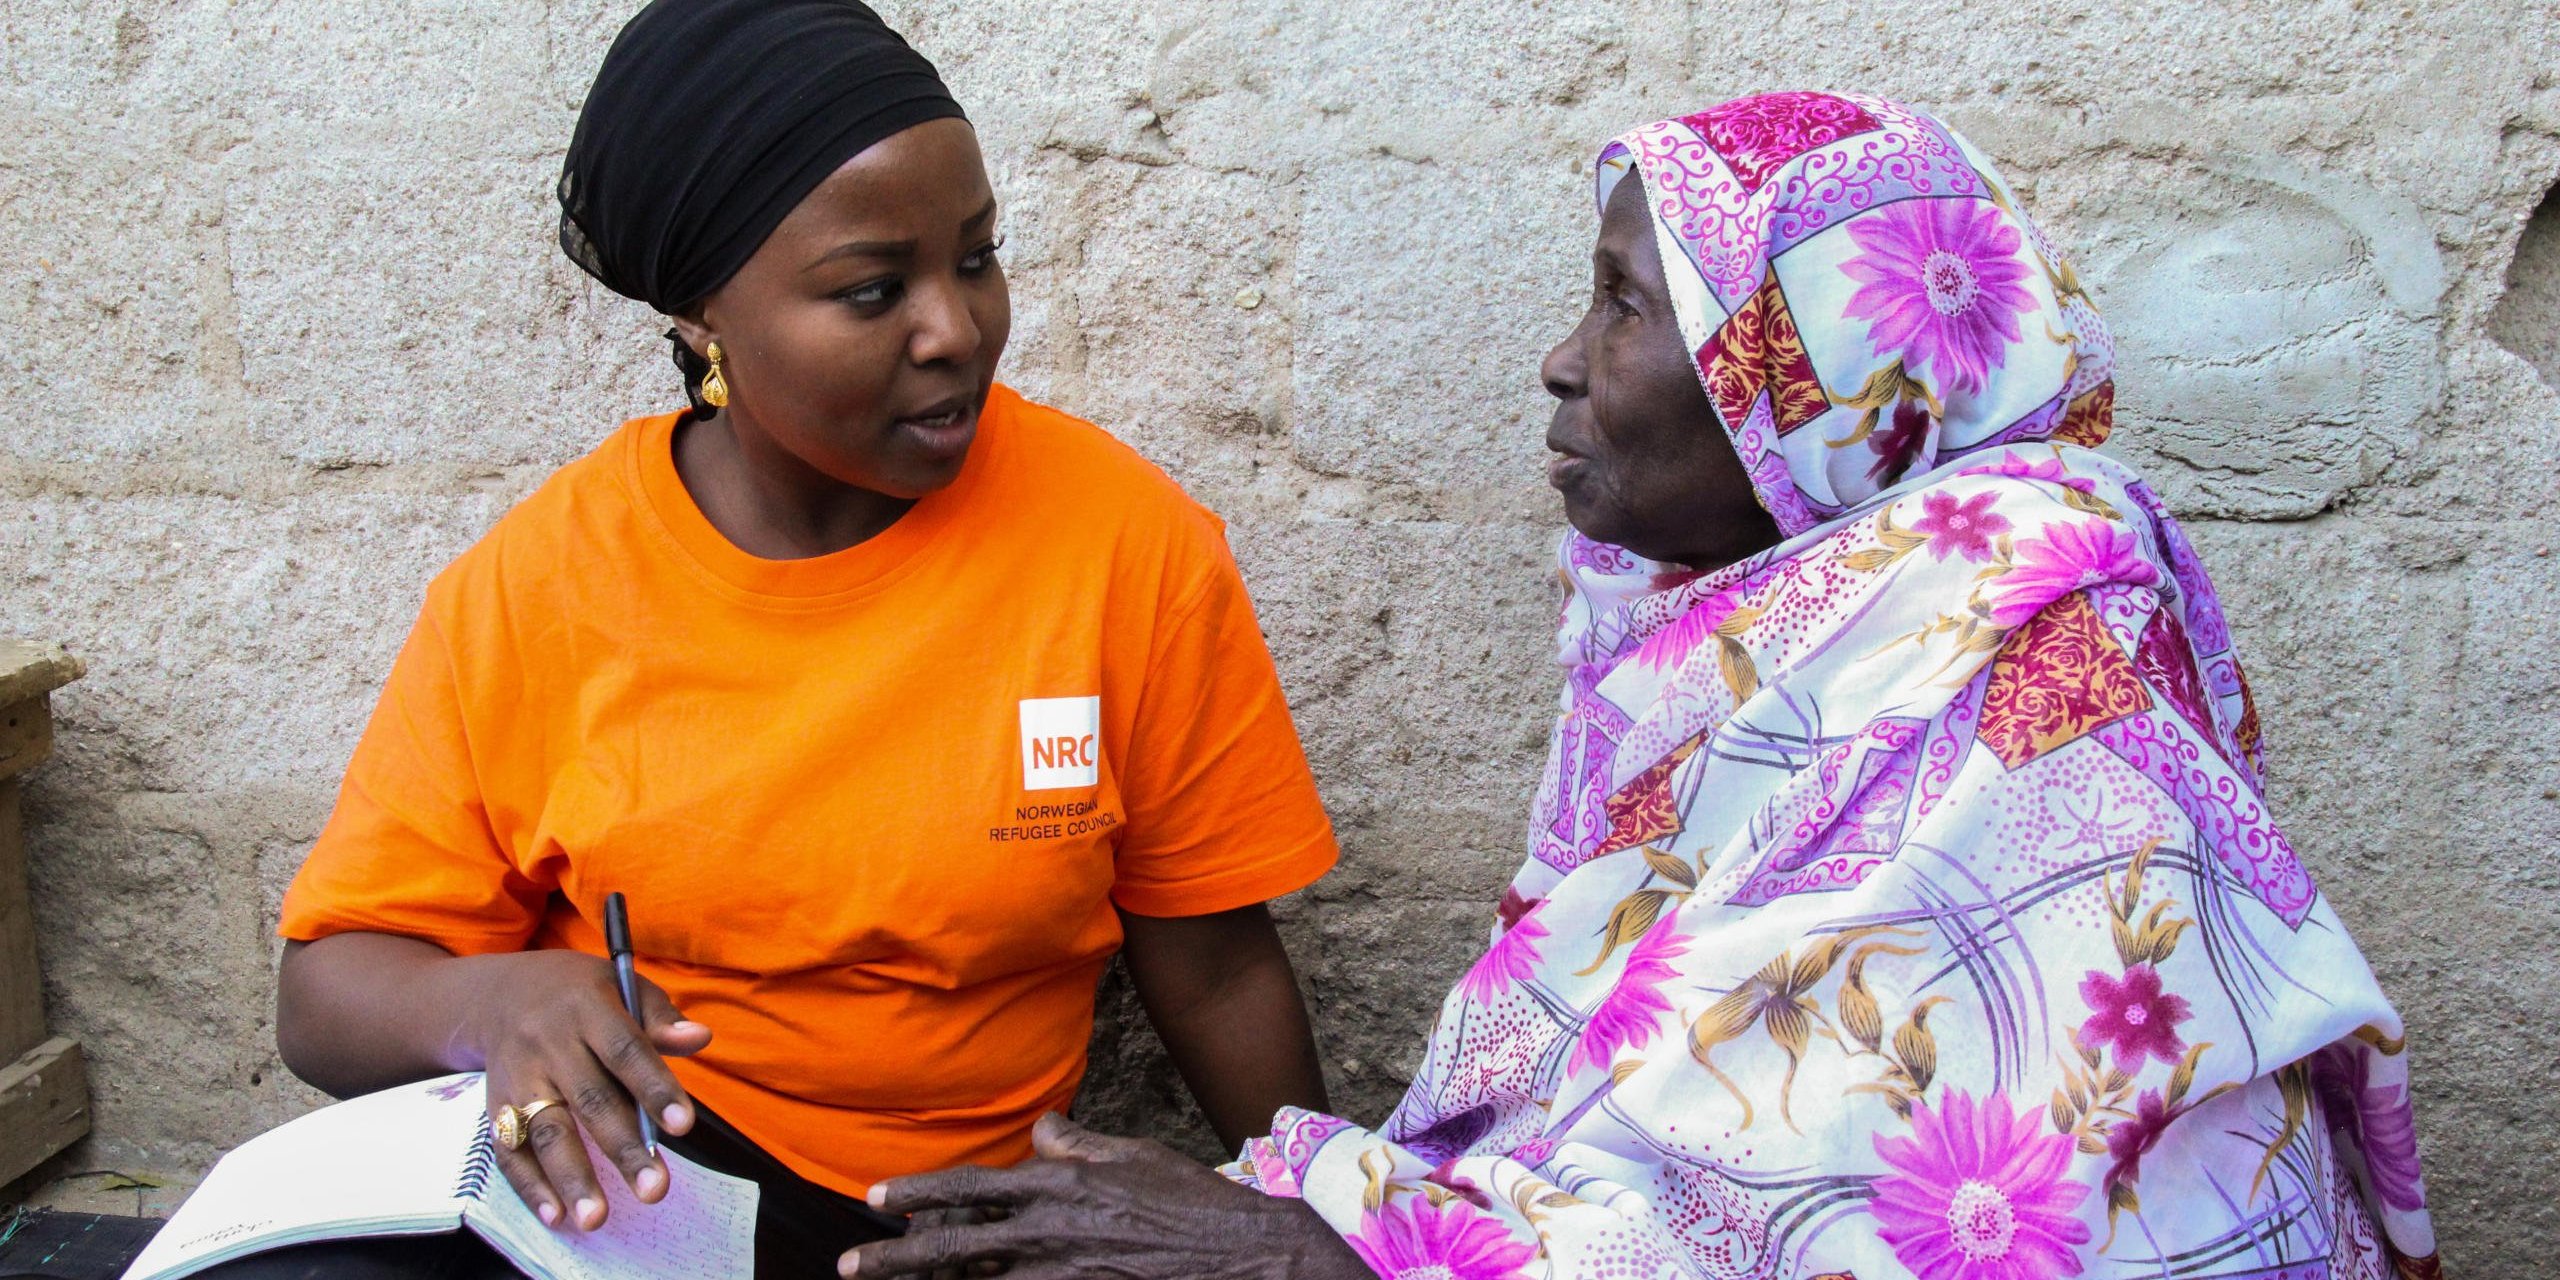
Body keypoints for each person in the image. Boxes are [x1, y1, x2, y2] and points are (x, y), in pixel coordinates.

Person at [841, 92, 2444, 1280]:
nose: (1561, 359)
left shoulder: (2028, 686)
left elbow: (1895, 1222)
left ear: (1814, 380)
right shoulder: (1796, 646)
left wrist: (1309, 1259)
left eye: (1623, 306)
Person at [255, 2, 1338, 1276]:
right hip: (627, 1200)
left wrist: (1326, 1226)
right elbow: (324, 994)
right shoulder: (543, 583)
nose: (955, 330)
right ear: (702, 311)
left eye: (977, 258)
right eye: (872, 290)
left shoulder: (1124, 546)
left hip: (938, 1231)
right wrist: (490, 1001)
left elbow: (1213, 968)